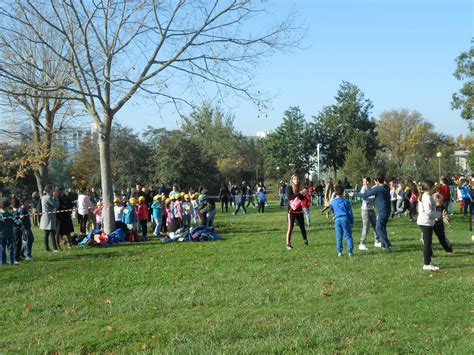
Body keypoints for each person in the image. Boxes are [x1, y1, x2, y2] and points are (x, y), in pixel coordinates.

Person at [350, 173, 393, 250]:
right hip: (386, 211)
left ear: (376, 181)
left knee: (378, 228)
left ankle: (387, 244)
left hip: (381, 211)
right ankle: (382, 244)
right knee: (381, 227)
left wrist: (354, 194)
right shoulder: (386, 187)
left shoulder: (377, 189)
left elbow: (366, 195)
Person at [417, 180, 440, 271]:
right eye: (433, 187)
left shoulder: (427, 196)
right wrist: (438, 214)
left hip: (426, 222)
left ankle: (429, 261)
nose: (435, 188)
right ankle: (426, 264)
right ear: (429, 188)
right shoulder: (427, 198)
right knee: (427, 243)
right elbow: (428, 212)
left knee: (428, 243)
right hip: (425, 222)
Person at [285, 174, 308, 250]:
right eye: (295, 179)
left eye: (297, 179)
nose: (296, 180)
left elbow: (301, 198)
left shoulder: (299, 188)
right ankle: (288, 244)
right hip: (291, 210)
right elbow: (290, 197)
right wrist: (299, 193)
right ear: (292, 180)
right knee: (290, 227)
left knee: (302, 226)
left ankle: (305, 240)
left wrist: (304, 193)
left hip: (299, 210)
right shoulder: (289, 187)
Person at [331, 185, 354, 256]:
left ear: (335, 192)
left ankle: (339, 252)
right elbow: (350, 212)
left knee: (339, 236)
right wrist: (352, 221)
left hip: (337, 220)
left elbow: (332, 209)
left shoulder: (333, 202)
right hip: (345, 219)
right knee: (348, 236)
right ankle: (350, 252)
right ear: (343, 192)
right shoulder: (346, 201)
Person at [358, 177, 379, 251]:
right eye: (364, 181)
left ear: (369, 182)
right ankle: (362, 243)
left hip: (371, 209)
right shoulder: (363, 189)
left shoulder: (371, 188)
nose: (365, 183)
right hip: (365, 210)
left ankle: (377, 241)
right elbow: (364, 198)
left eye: (366, 181)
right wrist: (373, 198)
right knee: (366, 227)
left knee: (376, 225)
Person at [39, 185, 60, 252]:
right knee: (52, 233)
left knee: (46, 233)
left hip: (46, 217)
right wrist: (56, 197)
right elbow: (56, 205)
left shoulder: (43, 197)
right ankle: (55, 248)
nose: (53, 191)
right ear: (50, 190)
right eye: (52, 189)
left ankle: (47, 248)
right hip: (49, 217)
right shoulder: (48, 198)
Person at [0, 199, 17, 265]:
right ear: (7, 206)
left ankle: (2, 261)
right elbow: (16, 222)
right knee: (10, 248)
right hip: (9, 234)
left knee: (2, 248)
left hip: (1, 234)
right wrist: (18, 220)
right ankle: (11, 261)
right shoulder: (10, 214)